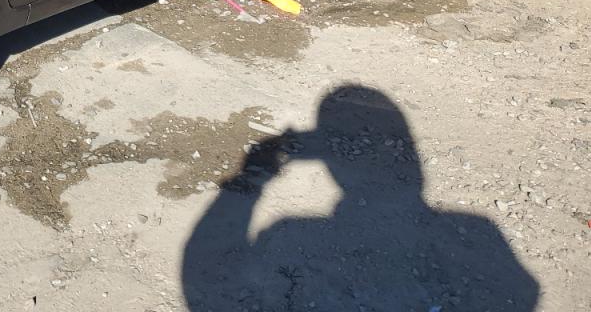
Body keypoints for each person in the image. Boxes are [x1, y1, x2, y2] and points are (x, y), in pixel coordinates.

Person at [181, 85, 539, 311]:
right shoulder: (478, 230)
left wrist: (250, 178)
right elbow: (526, 292)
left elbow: (201, 276)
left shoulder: (288, 231)